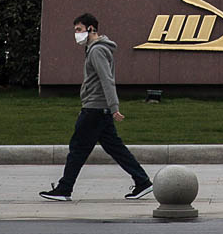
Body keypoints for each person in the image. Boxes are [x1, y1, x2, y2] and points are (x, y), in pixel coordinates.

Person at [39, 13, 153, 202]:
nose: (76, 34)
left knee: (77, 149)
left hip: (95, 109)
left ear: (91, 29)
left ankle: (64, 189)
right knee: (115, 149)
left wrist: (114, 106)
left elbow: (106, 79)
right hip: (99, 109)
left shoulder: (97, 51)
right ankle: (142, 182)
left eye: (79, 30)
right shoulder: (96, 49)